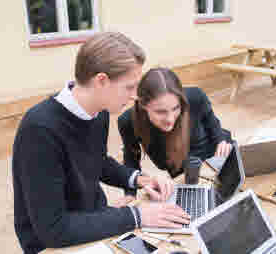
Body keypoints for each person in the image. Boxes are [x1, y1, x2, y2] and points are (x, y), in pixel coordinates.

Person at [12, 32, 190, 254]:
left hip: (93, 219)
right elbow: (53, 229)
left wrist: (139, 180)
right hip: (54, 244)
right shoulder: (39, 130)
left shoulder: (99, 112)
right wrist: (137, 215)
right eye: (129, 87)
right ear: (102, 81)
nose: (135, 96)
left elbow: (96, 160)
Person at [118, 67, 233, 197]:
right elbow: (131, 158)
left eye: (176, 108)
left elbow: (212, 123)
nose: (170, 119)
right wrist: (129, 194)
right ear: (143, 105)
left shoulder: (196, 96)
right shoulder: (127, 121)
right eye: (160, 112)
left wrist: (221, 141)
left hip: (214, 161)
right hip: (182, 172)